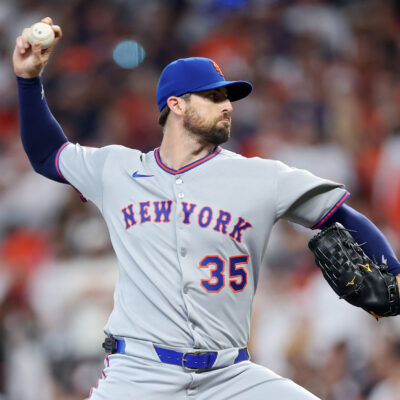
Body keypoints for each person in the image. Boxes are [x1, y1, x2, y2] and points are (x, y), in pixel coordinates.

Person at [13, 17, 400, 400]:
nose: (227, 106)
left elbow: (341, 214)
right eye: (214, 97)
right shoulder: (117, 169)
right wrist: (29, 81)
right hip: (139, 375)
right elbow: (48, 153)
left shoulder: (261, 177)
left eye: (228, 97)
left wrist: (395, 275)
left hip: (231, 376)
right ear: (176, 105)